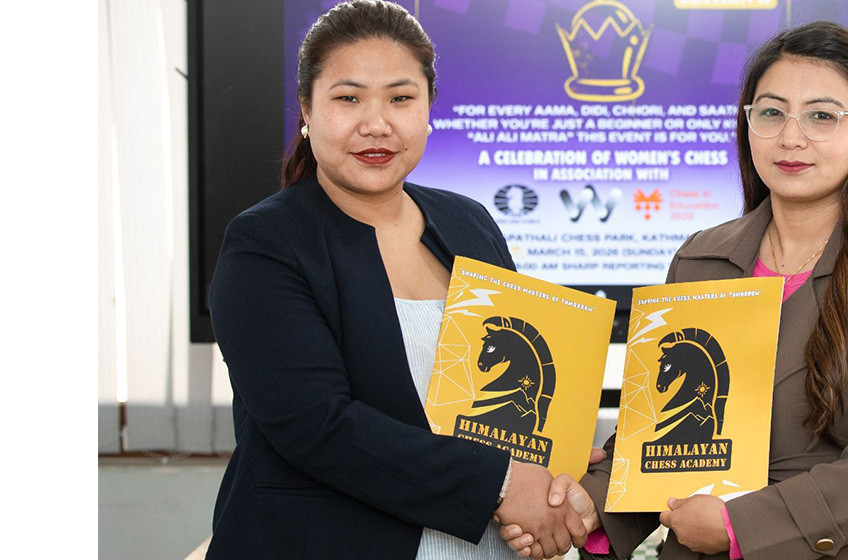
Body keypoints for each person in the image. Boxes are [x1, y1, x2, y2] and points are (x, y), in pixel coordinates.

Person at [503, 21, 848, 560]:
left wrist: (740, 525)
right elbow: (658, 429)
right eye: (770, 113)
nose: (791, 137)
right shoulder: (701, 258)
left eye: (822, 115)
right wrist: (591, 505)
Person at [205, 2, 588, 558]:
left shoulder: (469, 221)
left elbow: (507, 395)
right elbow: (319, 427)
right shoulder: (265, 244)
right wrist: (504, 484)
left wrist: (558, 472)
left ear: (428, 107)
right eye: (349, 98)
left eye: (401, 98)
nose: (376, 124)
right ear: (307, 109)